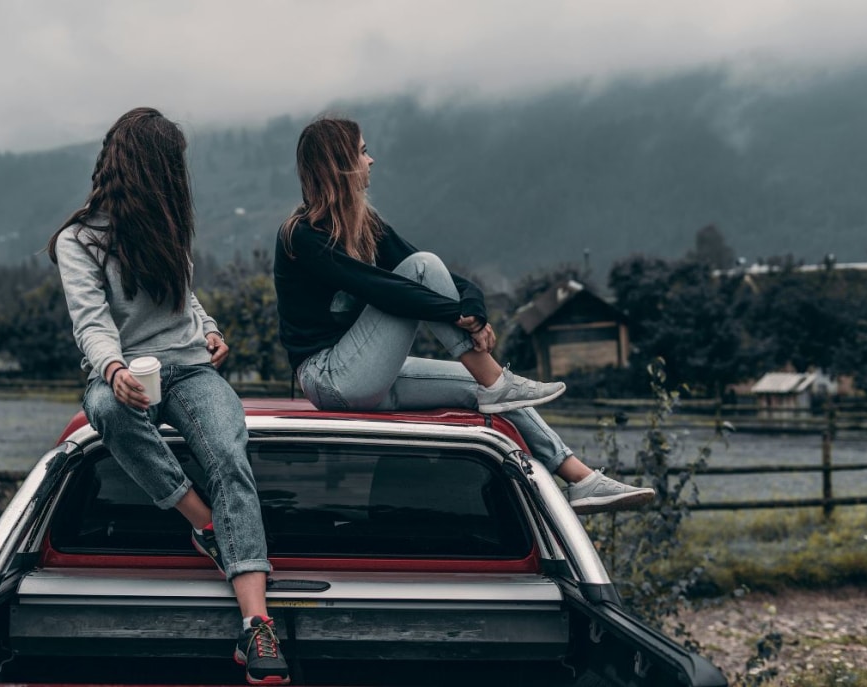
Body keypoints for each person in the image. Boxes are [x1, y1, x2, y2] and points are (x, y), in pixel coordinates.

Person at [273, 116, 654, 514]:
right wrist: (457, 315)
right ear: (341, 164)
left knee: (485, 392)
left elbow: (445, 279)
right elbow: (382, 289)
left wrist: (473, 307)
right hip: (330, 377)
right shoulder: (302, 235)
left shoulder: (364, 223)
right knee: (422, 268)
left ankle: (581, 479)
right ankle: (496, 380)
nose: (372, 161)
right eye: (363, 152)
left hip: (368, 373)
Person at [47, 107, 289, 686]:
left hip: (191, 369)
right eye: (170, 166)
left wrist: (209, 329)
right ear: (145, 169)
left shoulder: (166, 225)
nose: (178, 177)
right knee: (103, 410)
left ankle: (256, 624)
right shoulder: (79, 240)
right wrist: (111, 368)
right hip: (127, 375)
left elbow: (186, 298)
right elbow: (91, 321)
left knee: (230, 455)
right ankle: (203, 522)